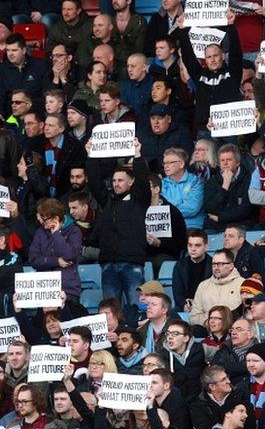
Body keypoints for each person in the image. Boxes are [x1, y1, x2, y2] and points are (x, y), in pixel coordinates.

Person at [86, 139, 149, 321]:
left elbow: (144, 181)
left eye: (121, 180)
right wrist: (90, 156)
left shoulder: (139, 200)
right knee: (109, 314)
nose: (116, 183)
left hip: (132, 263)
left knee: (137, 310)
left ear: (131, 182)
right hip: (108, 264)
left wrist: (137, 156)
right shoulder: (107, 201)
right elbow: (95, 184)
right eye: (114, 180)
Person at [0, 33, 50, 117]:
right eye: (8, 50)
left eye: (14, 50)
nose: (10, 54)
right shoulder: (2, 69)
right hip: (12, 114)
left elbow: (46, 93)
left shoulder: (40, 65)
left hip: (36, 113)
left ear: (23, 50)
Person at [204, 144, 257, 231]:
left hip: (241, 225)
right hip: (217, 226)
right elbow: (210, 208)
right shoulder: (211, 182)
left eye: (229, 160)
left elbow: (246, 209)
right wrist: (225, 186)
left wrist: (220, 217)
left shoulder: (249, 179)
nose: (225, 163)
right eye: (222, 160)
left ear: (237, 162)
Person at [189, 249, 245, 327]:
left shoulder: (243, 284)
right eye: (214, 264)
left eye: (220, 264)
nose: (216, 268)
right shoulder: (203, 285)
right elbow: (194, 317)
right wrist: (211, 322)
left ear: (231, 266)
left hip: (234, 330)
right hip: (208, 330)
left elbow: (248, 315)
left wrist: (225, 323)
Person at [192, 365, 255, 429]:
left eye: (227, 377)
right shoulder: (199, 407)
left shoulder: (241, 397)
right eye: (223, 380)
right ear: (212, 387)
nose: (229, 381)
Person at [160, 320, 205, 402]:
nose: (170, 337)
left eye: (175, 334)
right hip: (174, 403)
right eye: (168, 333)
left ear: (186, 338)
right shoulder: (161, 357)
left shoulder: (200, 349)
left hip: (198, 402)